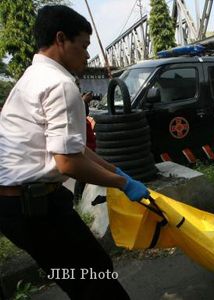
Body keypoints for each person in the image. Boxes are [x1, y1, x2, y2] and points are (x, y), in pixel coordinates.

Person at [0, 5, 149, 299]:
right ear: (60, 39)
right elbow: (68, 163)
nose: (87, 54)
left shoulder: (32, 77)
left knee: (87, 276)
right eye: (83, 45)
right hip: (32, 207)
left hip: (21, 204)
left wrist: (112, 170)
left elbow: (72, 148)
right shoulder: (60, 84)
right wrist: (122, 183)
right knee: (95, 282)